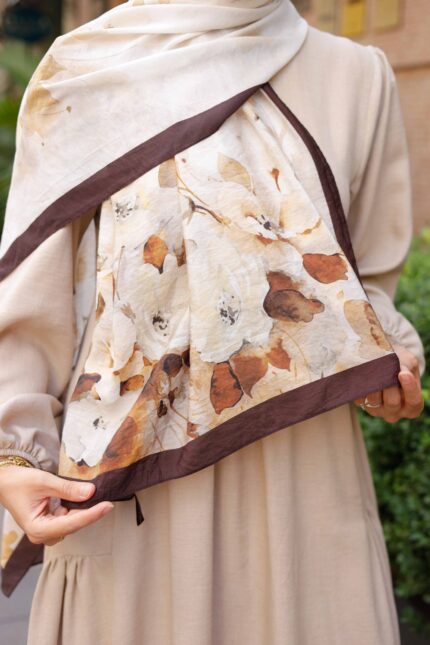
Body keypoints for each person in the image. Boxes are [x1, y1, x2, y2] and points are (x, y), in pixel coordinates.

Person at [0, 1, 425, 643]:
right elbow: (35, 296)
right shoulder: (86, 69)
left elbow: (364, 287)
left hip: (305, 483)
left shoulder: (357, 75)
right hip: (131, 495)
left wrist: (391, 363)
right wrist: (13, 454)